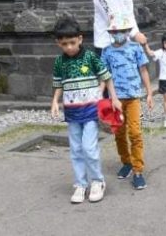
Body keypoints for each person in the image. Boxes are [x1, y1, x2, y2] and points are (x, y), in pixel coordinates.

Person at [50, 16, 122, 204]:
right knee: (75, 149)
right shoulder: (59, 62)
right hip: (72, 113)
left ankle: (97, 181)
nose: (69, 47)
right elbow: (58, 84)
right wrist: (55, 102)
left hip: (90, 111)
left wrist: (113, 98)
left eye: (72, 42)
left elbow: (106, 76)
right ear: (58, 43)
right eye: (64, 44)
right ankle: (80, 183)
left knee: (89, 148)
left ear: (80, 39)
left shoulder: (90, 57)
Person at [100, 13, 153, 190]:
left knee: (135, 132)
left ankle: (138, 170)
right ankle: (127, 162)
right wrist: (101, 95)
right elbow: (104, 75)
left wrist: (149, 92)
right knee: (119, 133)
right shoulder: (106, 51)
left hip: (133, 98)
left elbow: (144, 70)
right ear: (110, 33)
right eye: (115, 31)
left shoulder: (136, 48)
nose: (118, 34)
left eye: (122, 31)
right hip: (115, 99)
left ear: (128, 31)